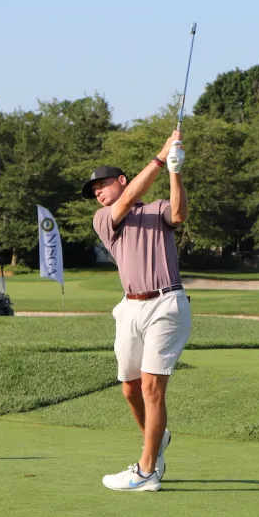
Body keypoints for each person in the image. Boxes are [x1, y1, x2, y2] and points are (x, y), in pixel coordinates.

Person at [82, 130, 192, 492]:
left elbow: (178, 213)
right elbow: (130, 199)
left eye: (102, 184)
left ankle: (146, 472)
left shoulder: (156, 209)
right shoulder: (105, 220)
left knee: (151, 388)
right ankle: (156, 439)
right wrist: (161, 156)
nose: (97, 192)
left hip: (166, 302)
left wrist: (175, 168)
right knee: (129, 389)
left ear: (121, 179)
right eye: (93, 190)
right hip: (129, 307)